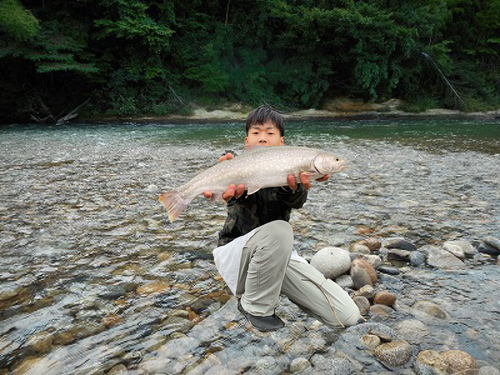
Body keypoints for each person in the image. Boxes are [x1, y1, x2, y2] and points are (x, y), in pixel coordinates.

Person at [203, 105, 361, 331]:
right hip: (238, 253)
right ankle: (255, 308)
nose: (263, 139)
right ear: (246, 141)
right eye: (256, 133)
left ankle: (263, 296)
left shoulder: (295, 171)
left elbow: (297, 202)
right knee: (281, 230)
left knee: (347, 316)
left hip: (275, 256)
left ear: (282, 142)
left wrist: (295, 187)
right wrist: (224, 172)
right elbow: (227, 184)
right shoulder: (237, 164)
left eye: (270, 133)